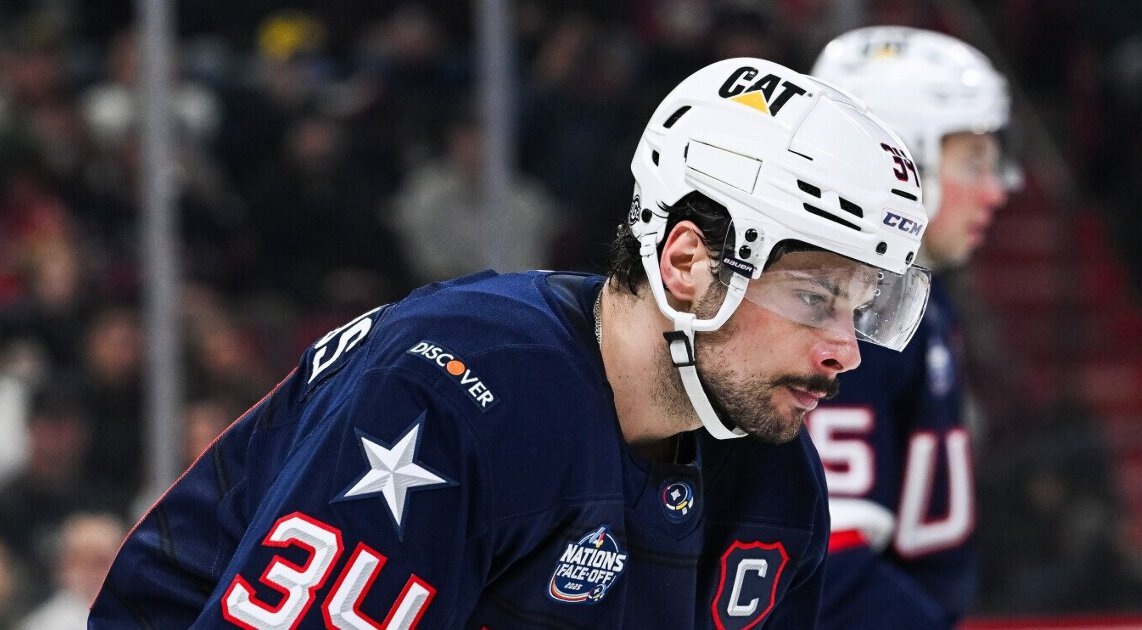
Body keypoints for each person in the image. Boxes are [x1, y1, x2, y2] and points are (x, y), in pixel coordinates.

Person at [89, 57, 931, 628]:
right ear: (686, 263)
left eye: (860, 308)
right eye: (815, 297)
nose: (846, 351)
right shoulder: (455, 386)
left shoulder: (773, 474)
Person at [808, 26, 1016, 628]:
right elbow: (829, 567)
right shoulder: (854, 314)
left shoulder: (919, 293)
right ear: (901, 164)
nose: (995, 190)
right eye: (973, 162)